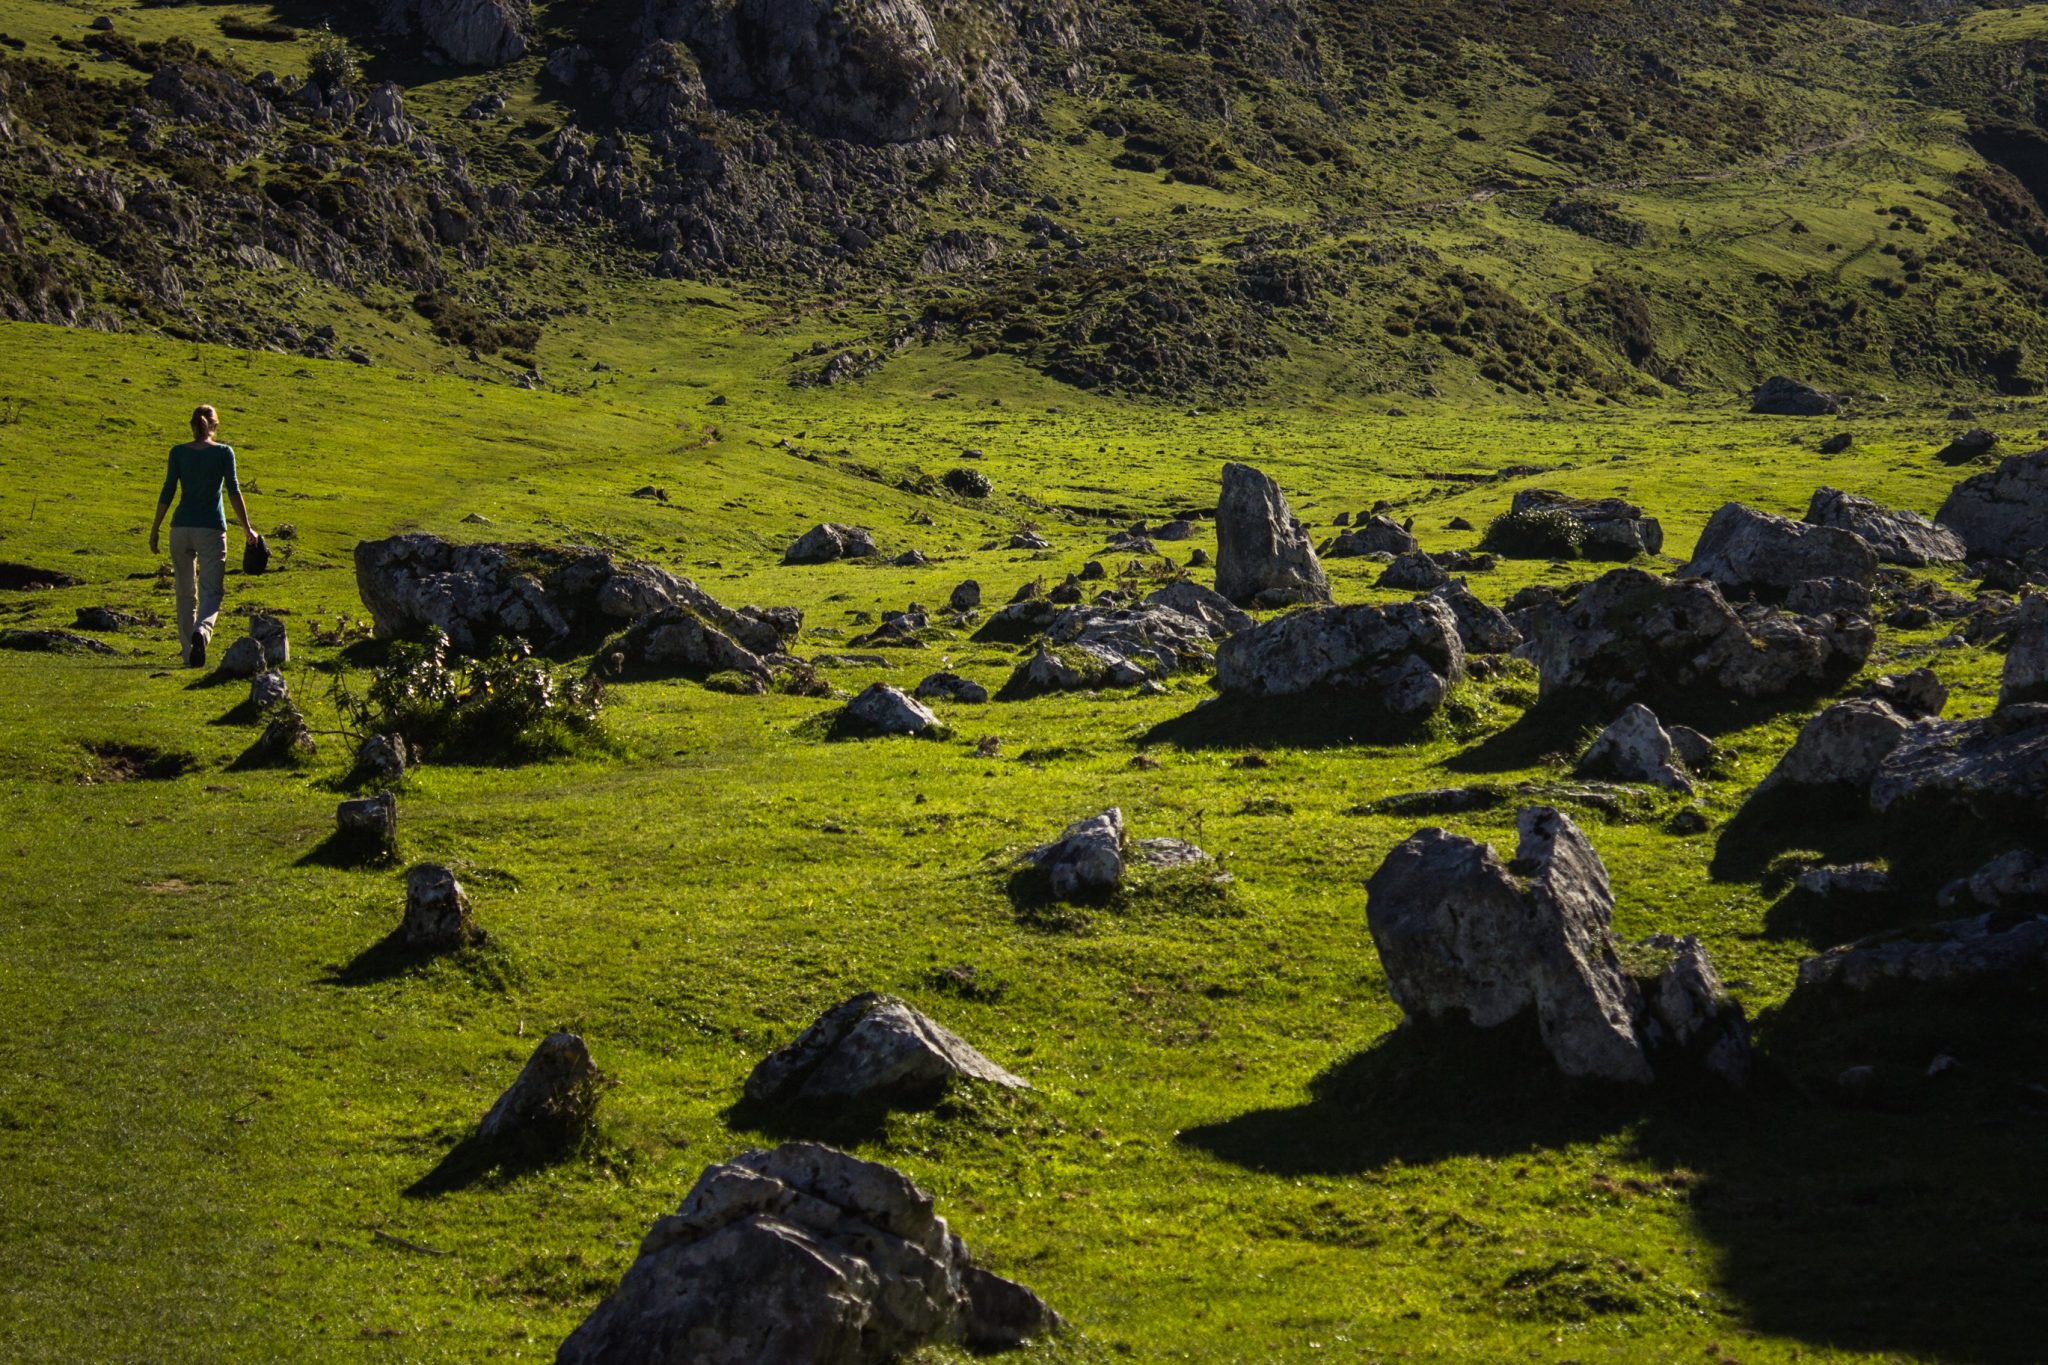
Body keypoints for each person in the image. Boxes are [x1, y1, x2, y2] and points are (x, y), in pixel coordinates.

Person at [148, 405, 259, 667]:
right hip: (211, 529)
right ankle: (202, 632)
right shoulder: (223, 453)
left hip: (180, 529)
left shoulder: (177, 453)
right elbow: (233, 490)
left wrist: (155, 529)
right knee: (211, 591)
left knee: (184, 592)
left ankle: (189, 654)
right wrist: (247, 527)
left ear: (193, 425)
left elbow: (167, 491)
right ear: (214, 426)